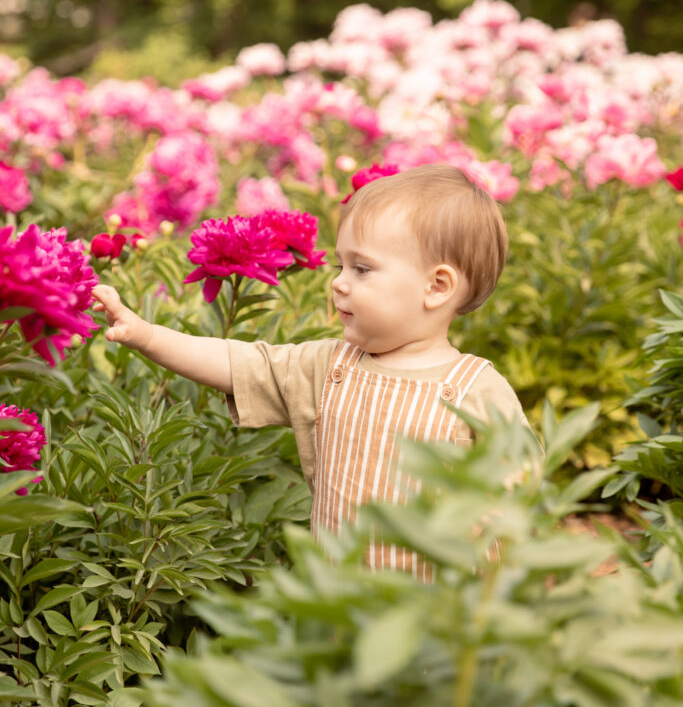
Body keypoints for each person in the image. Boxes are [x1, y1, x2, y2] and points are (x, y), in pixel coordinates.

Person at [94, 164, 531, 581]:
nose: (338, 283)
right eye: (340, 266)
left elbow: (522, 504)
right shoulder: (329, 366)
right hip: (332, 610)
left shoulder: (478, 393)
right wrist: (147, 335)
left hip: (433, 623)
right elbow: (238, 364)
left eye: (362, 269)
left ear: (436, 287)